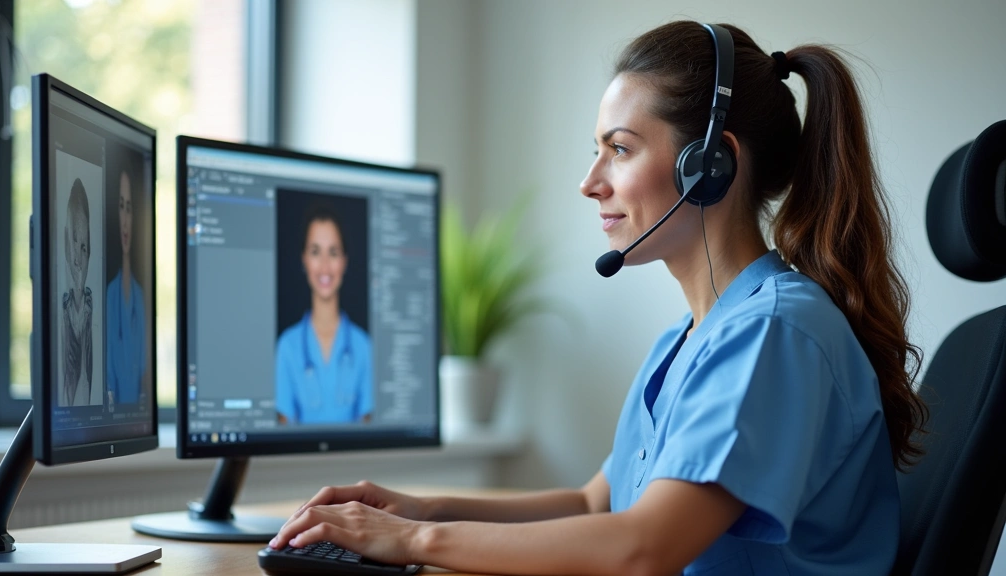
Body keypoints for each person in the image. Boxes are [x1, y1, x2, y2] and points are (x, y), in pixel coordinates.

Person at [268, 21, 927, 575]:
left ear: (710, 165)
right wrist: (422, 510)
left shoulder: (774, 334)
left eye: (619, 149)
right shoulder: (690, 339)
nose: (590, 182)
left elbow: (643, 549)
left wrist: (415, 544)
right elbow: (593, 506)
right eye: (597, 151)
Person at [275, 205, 373, 425]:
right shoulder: (287, 347)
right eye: (315, 252)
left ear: (345, 261)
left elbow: (368, 435)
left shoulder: (364, 347)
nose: (325, 266)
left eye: (334, 252)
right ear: (304, 259)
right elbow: (284, 433)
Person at [106, 161, 147, 408]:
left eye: (129, 208)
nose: (125, 220)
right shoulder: (109, 295)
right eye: (121, 207)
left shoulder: (139, 297)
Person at [61, 177, 93, 408]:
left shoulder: (90, 308)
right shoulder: (64, 309)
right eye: (73, 243)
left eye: (83, 247)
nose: (78, 259)